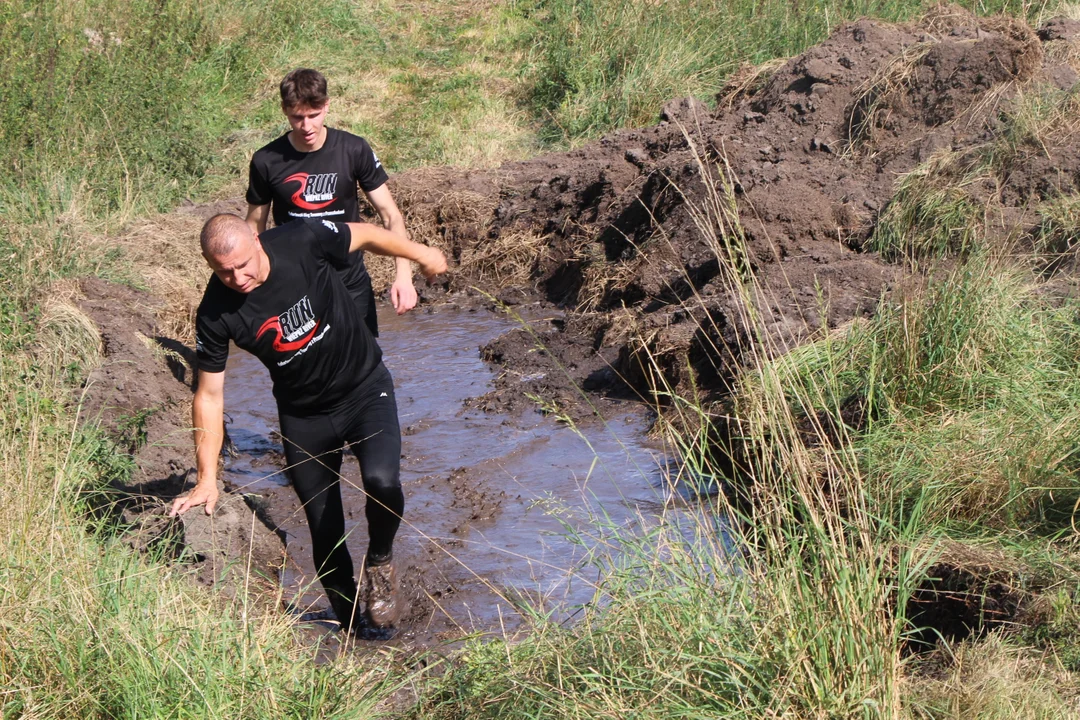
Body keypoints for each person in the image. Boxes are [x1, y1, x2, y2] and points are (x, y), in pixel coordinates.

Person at [170, 213, 447, 634]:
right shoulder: (214, 313)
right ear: (209, 264)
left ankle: (380, 561)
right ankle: (356, 629)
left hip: (364, 389)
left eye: (244, 264)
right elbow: (208, 395)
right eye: (223, 271)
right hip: (303, 417)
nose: (238, 278)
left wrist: (421, 254)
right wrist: (208, 478)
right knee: (324, 526)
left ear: (257, 242)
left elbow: (369, 235)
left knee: (382, 481)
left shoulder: (301, 240)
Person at [245, 67, 416, 337]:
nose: (306, 127)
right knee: (311, 372)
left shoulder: (353, 149)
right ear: (284, 110)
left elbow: (391, 215)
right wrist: (259, 286)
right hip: (297, 286)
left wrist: (404, 276)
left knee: (365, 368)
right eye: (297, 117)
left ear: (326, 106)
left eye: (314, 116)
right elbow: (254, 228)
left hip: (351, 282)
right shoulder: (266, 161)